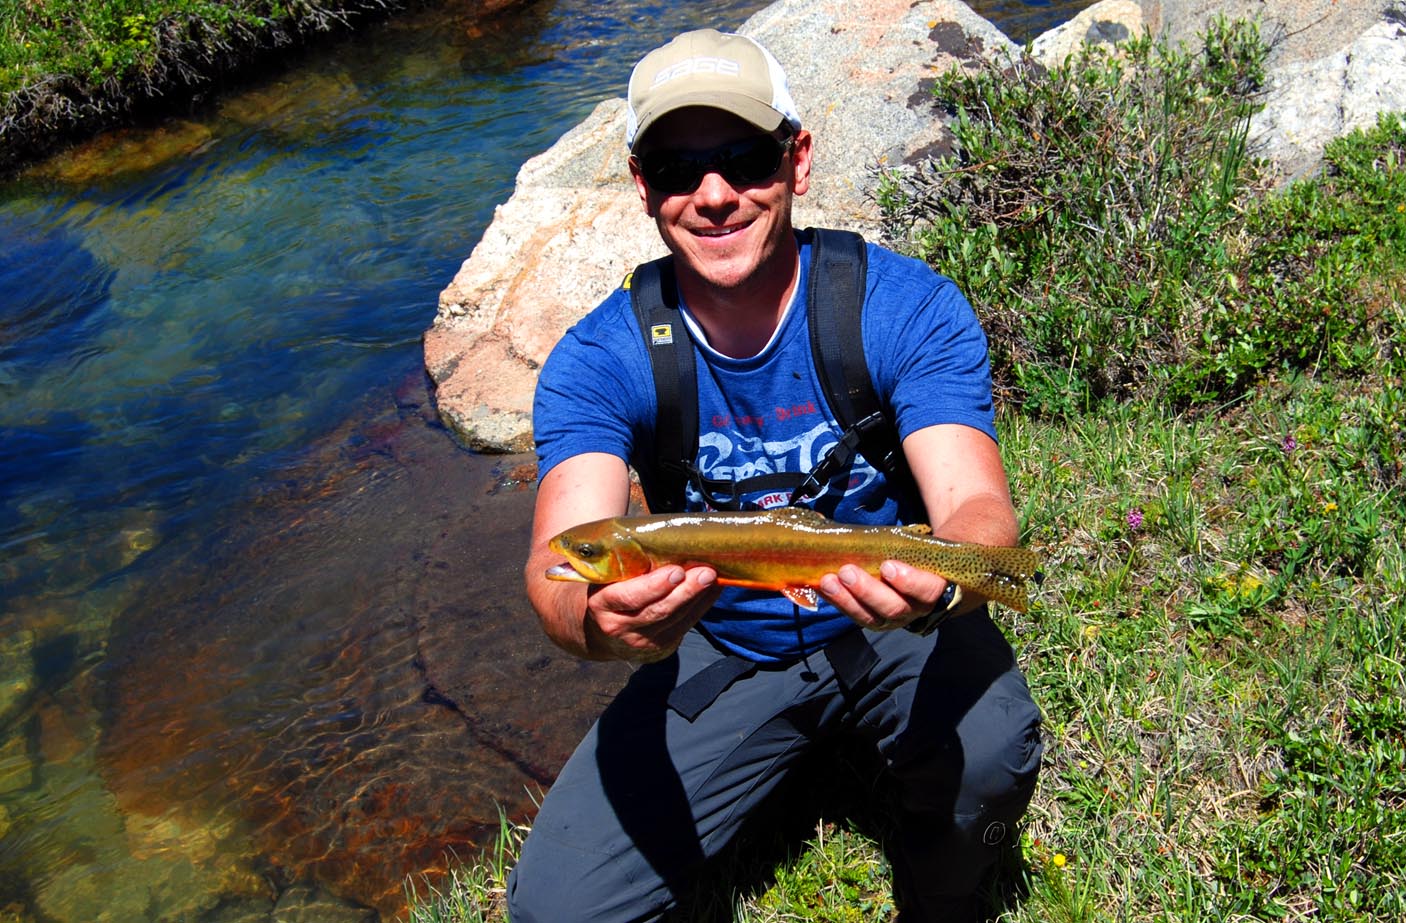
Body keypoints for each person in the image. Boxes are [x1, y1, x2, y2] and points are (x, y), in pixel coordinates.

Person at [510, 28, 1043, 923]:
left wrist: (943, 585)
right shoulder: (598, 358)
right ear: (644, 188)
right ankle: (784, 754)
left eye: (744, 158)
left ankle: (939, 891)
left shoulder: (904, 306)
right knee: (558, 910)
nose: (713, 195)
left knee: (991, 753)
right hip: (724, 647)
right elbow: (554, 565)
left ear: (795, 160)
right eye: (680, 172)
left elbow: (978, 507)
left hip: (891, 616)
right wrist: (602, 625)